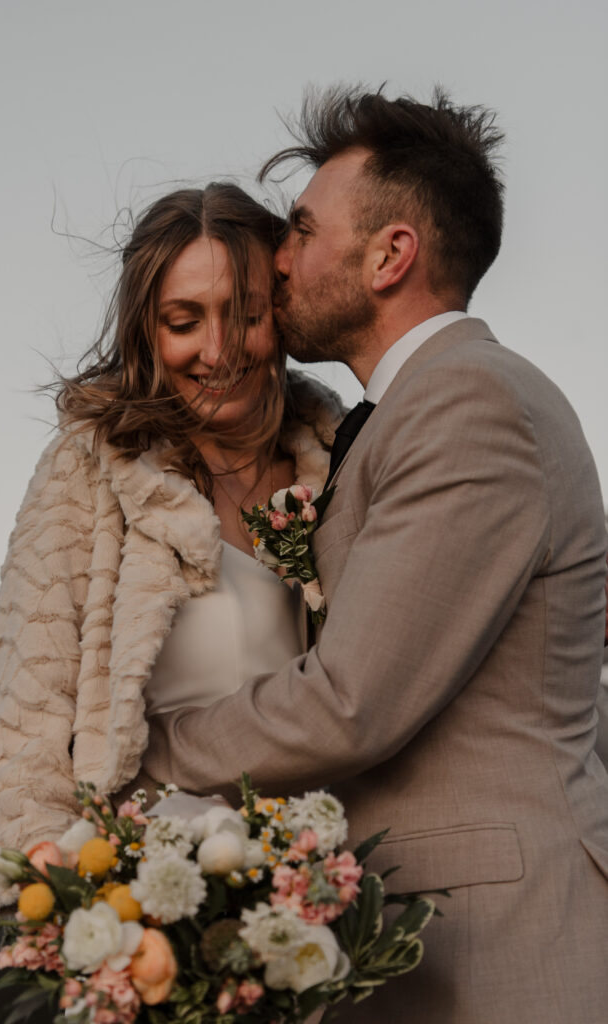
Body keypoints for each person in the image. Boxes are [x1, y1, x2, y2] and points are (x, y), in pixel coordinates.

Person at [139, 88, 608, 1023]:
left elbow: (352, 702)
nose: (278, 257)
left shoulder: (467, 401)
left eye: (305, 231)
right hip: (420, 931)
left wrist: (148, 753)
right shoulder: (400, 414)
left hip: (503, 938)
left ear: (391, 255)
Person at [0, 182, 343, 916]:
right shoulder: (88, 467)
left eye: (246, 316)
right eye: (184, 321)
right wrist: (38, 900)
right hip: (140, 898)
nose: (218, 350)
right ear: (146, 329)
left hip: (319, 893)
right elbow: (29, 708)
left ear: (283, 313)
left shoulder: (341, 458)